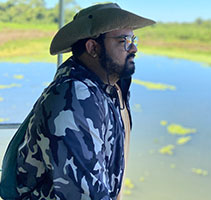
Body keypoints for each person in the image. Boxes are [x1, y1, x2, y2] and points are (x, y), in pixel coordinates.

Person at [1, 3, 155, 200]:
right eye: (123, 40)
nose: (133, 48)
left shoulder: (108, 87)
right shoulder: (74, 98)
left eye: (133, 39)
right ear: (93, 48)